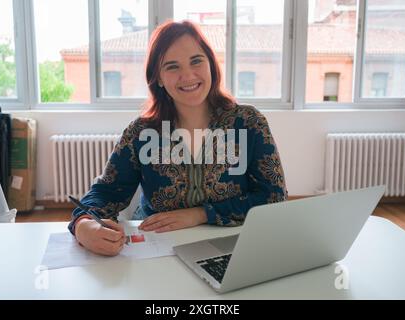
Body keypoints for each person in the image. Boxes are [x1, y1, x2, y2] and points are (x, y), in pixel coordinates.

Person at [68, 20, 288, 256]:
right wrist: (83, 226)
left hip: (234, 247)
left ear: (211, 66)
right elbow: (105, 193)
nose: (187, 75)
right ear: (159, 78)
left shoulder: (248, 122)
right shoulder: (141, 134)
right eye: (172, 67)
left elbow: (274, 198)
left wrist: (201, 214)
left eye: (196, 61)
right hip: (160, 250)